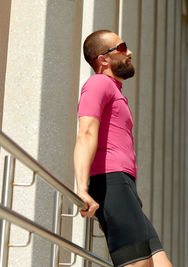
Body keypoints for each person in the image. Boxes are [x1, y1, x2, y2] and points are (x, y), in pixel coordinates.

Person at [74, 30, 172, 267]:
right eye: (121, 48)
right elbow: (86, 133)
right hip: (110, 182)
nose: (129, 52)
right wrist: (83, 189)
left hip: (123, 186)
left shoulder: (114, 90)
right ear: (103, 59)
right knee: (139, 264)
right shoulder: (97, 83)